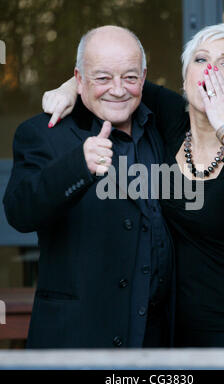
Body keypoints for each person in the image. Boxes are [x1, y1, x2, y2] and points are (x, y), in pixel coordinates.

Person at [42, 23, 224, 347]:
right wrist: (66, 88)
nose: (211, 69)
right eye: (201, 59)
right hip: (176, 329)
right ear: (186, 78)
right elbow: (113, 79)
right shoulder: (172, 118)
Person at [3, 26, 175, 348]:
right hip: (77, 338)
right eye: (102, 78)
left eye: (130, 77)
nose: (118, 90)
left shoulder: (161, 126)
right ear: (79, 79)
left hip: (153, 342)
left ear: (144, 78)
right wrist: (77, 167)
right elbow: (19, 211)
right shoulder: (43, 132)